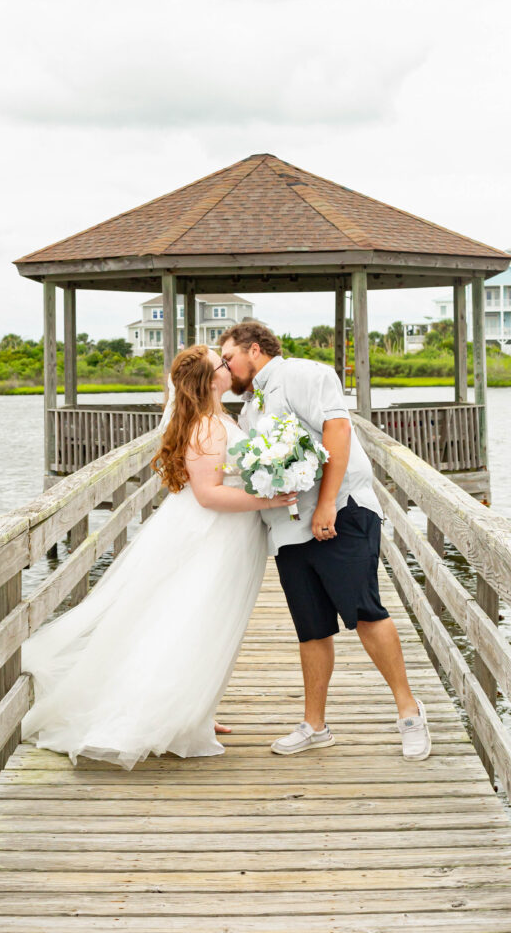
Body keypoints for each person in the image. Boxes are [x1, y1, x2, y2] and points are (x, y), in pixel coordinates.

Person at [7, 344, 296, 770]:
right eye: (220, 364)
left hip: (225, 535)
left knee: (205, 621)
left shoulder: (218, 418)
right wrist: (267, 501)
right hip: (210, 535)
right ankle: (155, 715)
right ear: (209, 379)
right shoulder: (208, 428)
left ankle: (194, 709)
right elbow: (208, 494)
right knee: (190, 619)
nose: (228, 367)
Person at [219, 321, 432, 761]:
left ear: (254, 350)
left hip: (339, 513)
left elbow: (338, 430)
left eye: (228, 358)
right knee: (311, 628)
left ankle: (410, 713)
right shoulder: (249, 410)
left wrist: (327, 504)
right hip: (288, 528)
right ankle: (314, 725)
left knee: (364, 611)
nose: (226, 367)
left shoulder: (301, 374)